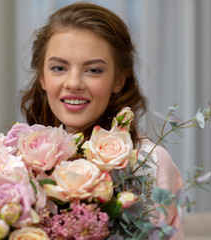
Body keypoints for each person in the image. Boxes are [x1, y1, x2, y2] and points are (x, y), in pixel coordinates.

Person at [20, 2, 183, 239]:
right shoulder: (20, 160)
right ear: (42, 78)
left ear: (119, 79)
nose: (74, 82)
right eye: (59, 68)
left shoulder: (149, 163)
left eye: (93, 70)